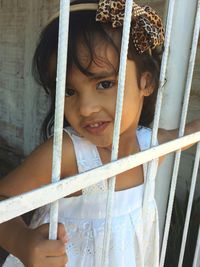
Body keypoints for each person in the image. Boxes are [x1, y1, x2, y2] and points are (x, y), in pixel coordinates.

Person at [0, 1, 200, 266]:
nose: (85, 107)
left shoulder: (151, 147)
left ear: (147, 82)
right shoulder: (68, 153)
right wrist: (22, 242)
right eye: (69, 91)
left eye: (104, 84)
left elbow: (186, 134)